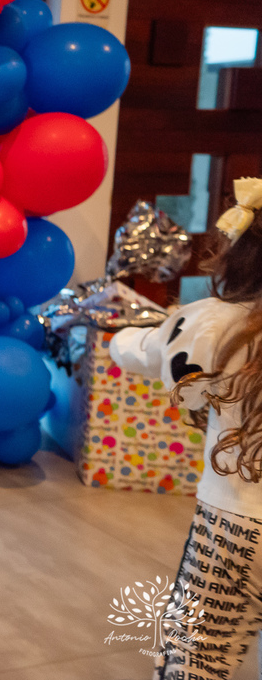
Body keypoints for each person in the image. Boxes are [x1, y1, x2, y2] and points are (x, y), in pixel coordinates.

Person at [109, 178, 262, 680]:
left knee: (198, 655)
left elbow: (140, 349)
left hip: (233, 525)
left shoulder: (213, 322)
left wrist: (118, 337)